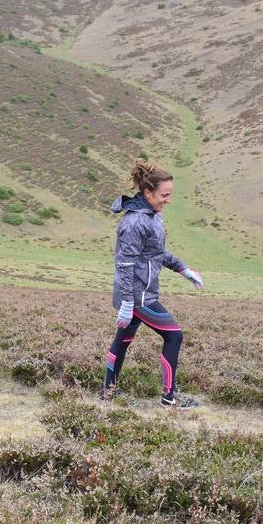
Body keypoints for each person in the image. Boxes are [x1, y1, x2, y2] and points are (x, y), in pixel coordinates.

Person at [103, 159, 204, 408]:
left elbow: (156, 253)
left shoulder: (154, 216)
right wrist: (128, 303)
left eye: (169, 195)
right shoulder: (135, 222)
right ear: (148, 193)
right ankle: (169, 399)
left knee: (122, 341)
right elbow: (124, 265)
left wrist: (183, 268)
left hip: (141, 292)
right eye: (164, 195)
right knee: (174, 337)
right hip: (138, 296)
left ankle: (107, 394)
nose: (168, 200)